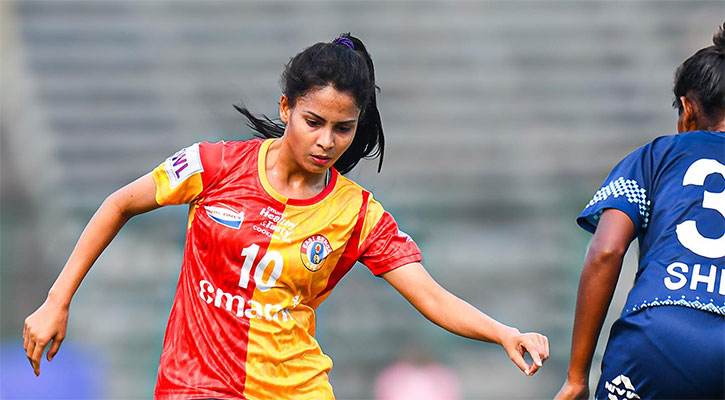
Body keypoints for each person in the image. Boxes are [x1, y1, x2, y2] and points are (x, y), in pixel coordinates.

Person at [23, 33, 549, 399]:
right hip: (194, 386)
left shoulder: (357, 214)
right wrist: (56, 299)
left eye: (343, 129)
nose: (327, 141)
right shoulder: (213, 165)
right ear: (285, 108)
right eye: (313, 121)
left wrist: (503, 332)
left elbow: (430, 296)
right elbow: (119, 204)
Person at [555, 25, 725, 400]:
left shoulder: (654, 157)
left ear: (688, 109)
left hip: (658, 335)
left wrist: (577, 376)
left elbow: (606, 251)